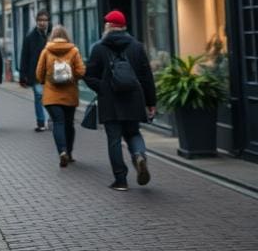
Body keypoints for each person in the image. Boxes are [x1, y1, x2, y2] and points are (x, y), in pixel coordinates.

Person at [84, 10, 157, 191]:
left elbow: (88, 75)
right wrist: (151, 102)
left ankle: (121, 180)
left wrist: (103, 89)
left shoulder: (99, 47)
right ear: (124, 27)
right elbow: (147, 77)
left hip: (110, 102)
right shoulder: (137, 46)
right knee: (134, 133)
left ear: (108, 26)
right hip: (134, 98)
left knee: (114, 140)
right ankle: (139, 156)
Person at [35, 25, 86, 167]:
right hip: (70, 95)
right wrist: (71, 77)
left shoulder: (46, 51)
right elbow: (81, 71)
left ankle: (62, 151)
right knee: (69, 124)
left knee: (58, 123)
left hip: (52, 96)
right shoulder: (74, 51)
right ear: (66, 36)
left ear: (52, 36)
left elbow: (39, 73)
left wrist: (45, 81)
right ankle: (69, 153)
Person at [19, 10, 51, 132]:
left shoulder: (51, 35)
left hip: (51, 73)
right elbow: (24, 57)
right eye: (40, 20)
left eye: (45, 20)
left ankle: (50, 120)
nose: (43, 23)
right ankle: (41, 122)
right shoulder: (30, 37)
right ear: (37, 21)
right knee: (39, 97)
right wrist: (23, 76)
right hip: (36, 73)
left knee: (50, 97)